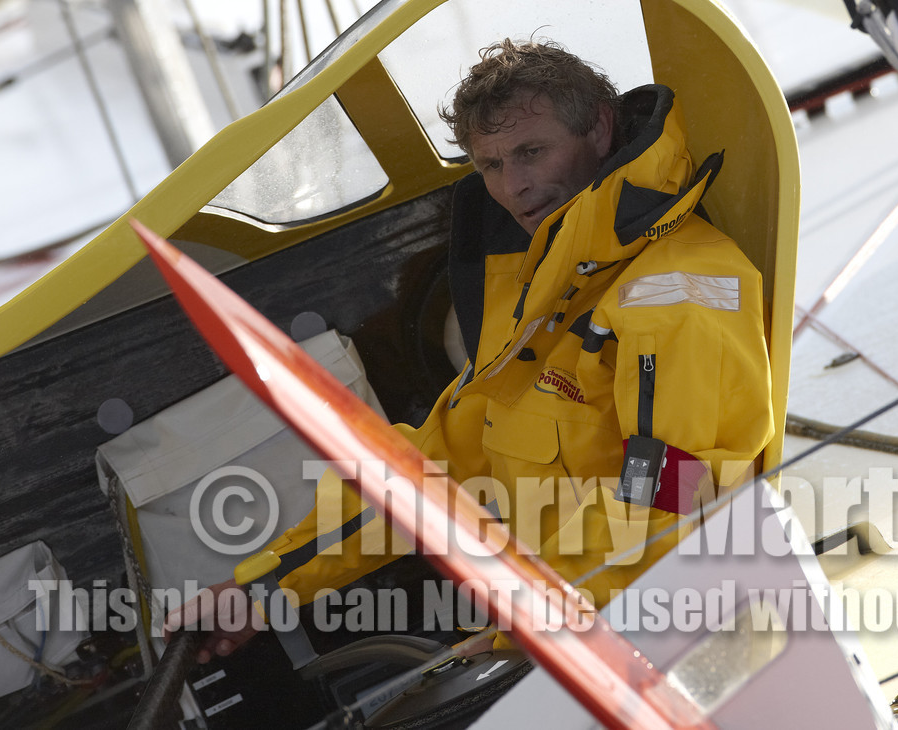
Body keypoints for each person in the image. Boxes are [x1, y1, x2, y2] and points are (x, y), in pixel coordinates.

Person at [168, 39, 775, 658]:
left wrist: (533, 632)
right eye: (489, 165)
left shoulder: (676, 292)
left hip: (664, 652)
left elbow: (688, 494)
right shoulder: (542, 296)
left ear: (598, 127)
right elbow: (428, 476)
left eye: (531, 152)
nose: (514, 186)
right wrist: (263, 587)